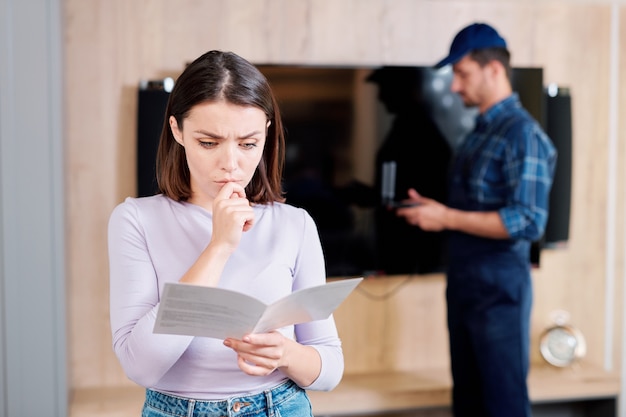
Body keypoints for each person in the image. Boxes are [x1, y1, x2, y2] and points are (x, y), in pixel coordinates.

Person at [108, 50, 344, 417]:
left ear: (265, 134)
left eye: (248, 144)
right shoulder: (135, 220)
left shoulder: (294, 224)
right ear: (177, 131)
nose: (231, 164)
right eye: (209, 142)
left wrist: (284, 353)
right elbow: (141, 366)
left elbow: (330, 370)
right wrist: (218, 247)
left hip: (279, 406)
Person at [395, 23, 557, 417]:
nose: (453, 86)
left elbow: (528, 221)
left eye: (462, 73)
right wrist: (434, 211)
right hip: (465, 284)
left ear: (494, 70)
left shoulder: (523, 135)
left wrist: (446, 217)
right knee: (467, 402)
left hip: (499, 292)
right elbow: (477, 206)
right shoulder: (480, 133)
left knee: (502, 404)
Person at [367, 66, 452, 275]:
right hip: (400, 252)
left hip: (413, 254)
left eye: (384, 89)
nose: (379, 97)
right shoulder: (405, 127)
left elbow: (423, 190)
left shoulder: (421, 132)